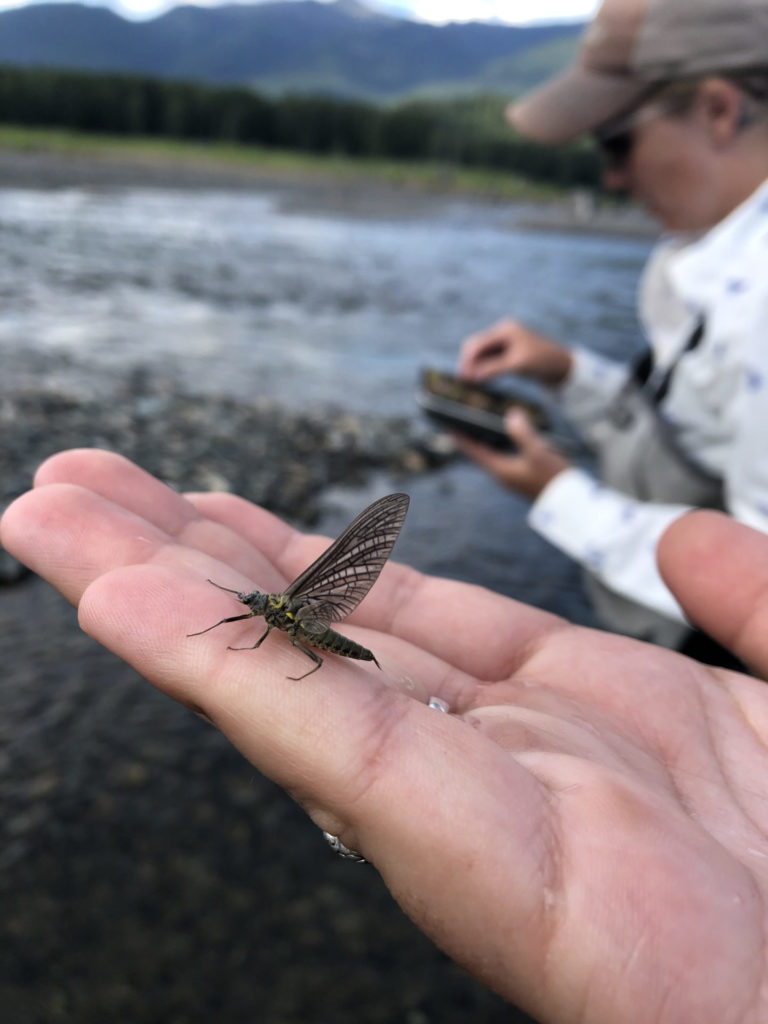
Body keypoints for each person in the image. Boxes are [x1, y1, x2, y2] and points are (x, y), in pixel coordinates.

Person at [3, 446, 768, 1024]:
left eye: (258, 609)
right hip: (330, 646)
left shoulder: (290, 617)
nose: (256, 613)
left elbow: (280, 637)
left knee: (313, 661)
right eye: (258, 610)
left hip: (340, 649)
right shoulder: (271, 614)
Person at [455, 0, 768, 660]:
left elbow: (754, 582)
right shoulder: (709, 255)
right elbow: (703, 428)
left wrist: (558, 495)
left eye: (616, 142)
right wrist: (569, 373)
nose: (612, 178)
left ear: (720, 109)